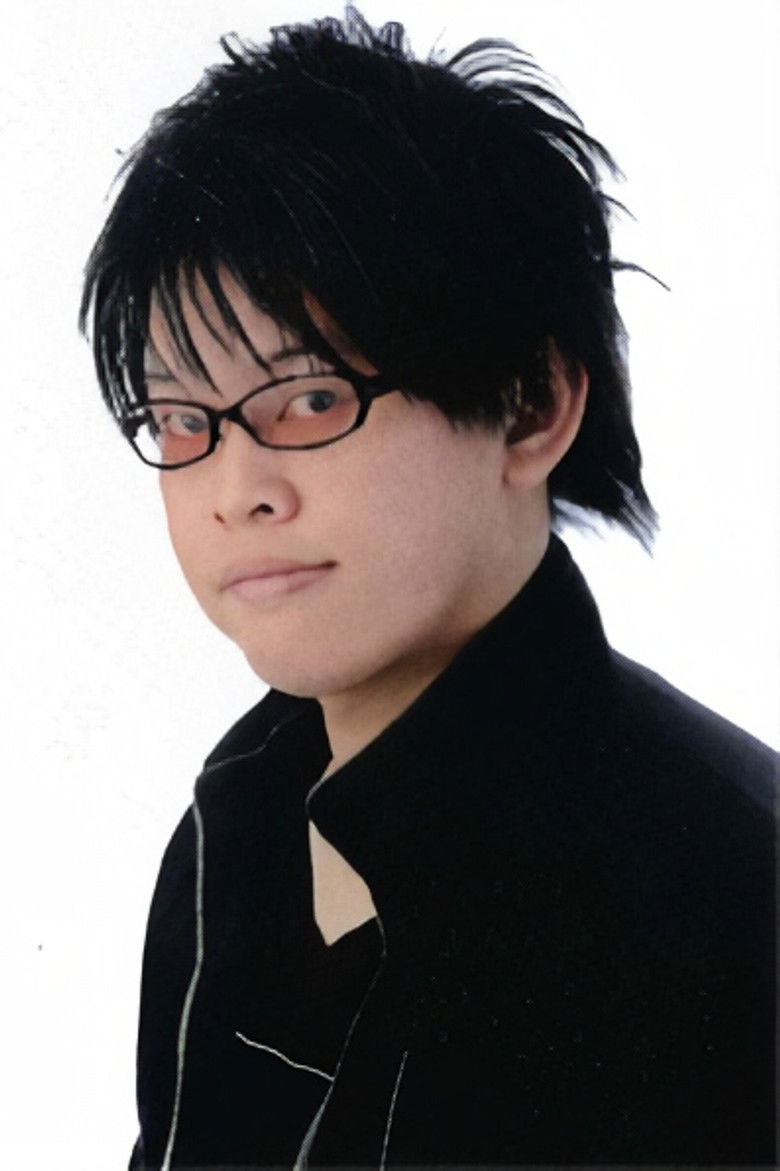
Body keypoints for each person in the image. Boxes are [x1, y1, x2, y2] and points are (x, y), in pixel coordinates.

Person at [80, 8, 776, 1169]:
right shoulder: (230, 837)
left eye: (311, 398)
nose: (236, 490)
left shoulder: (725, 898)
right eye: (184, 418)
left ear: (531, 404)